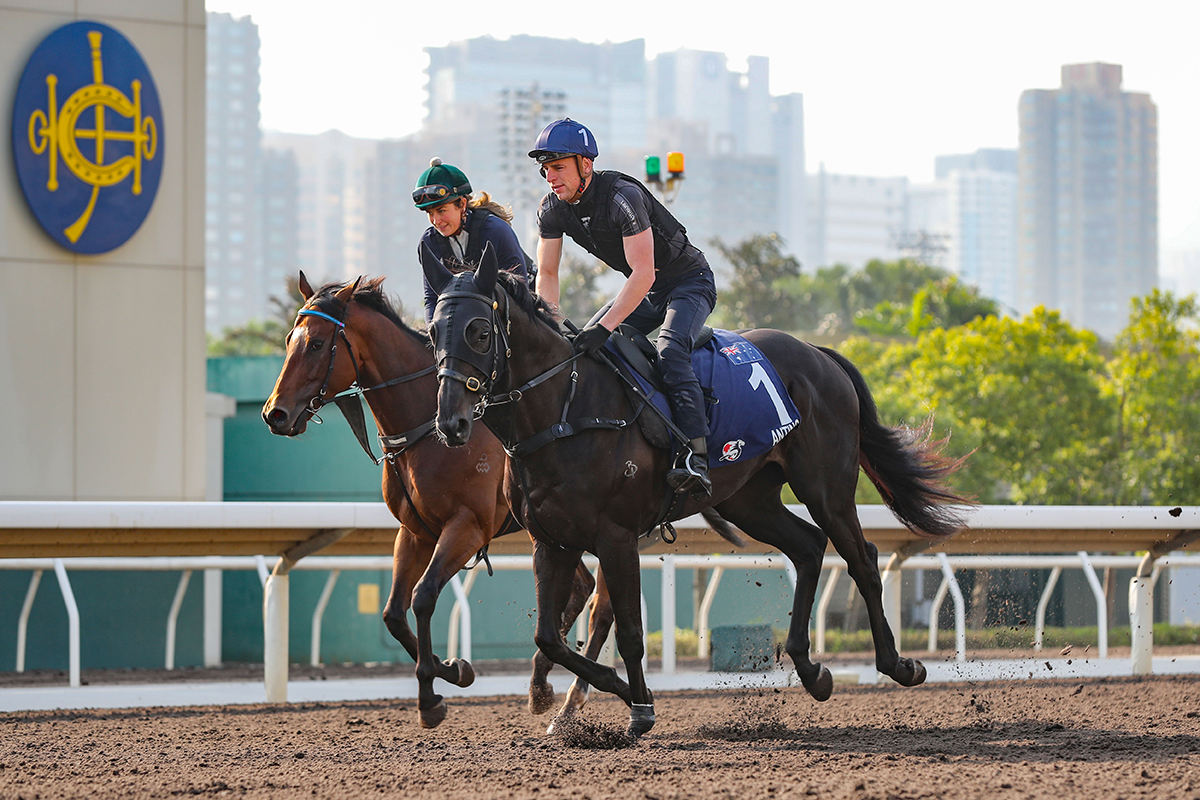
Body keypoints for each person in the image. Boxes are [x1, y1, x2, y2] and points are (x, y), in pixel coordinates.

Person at [529, 118, 717, 497]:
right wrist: (550, 321)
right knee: (580, 349)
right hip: (645, 292)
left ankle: (695, 455)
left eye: (559, 167)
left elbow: (644, 273)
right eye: (545, 169)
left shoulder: (621, 197)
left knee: (669, 350)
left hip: (687, 283)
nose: (550, 177)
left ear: (586, 165)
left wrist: (604, 327)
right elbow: (547, 272)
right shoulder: (551, 207)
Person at [414, 157, 531, 324]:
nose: (436, 221)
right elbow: (432, 299)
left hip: (523, 312)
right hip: (475, 322)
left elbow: (519, 297)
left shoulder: (496, 231)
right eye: (429, 213)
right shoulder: (429, 243)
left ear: (462, 204)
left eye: (441, 211)